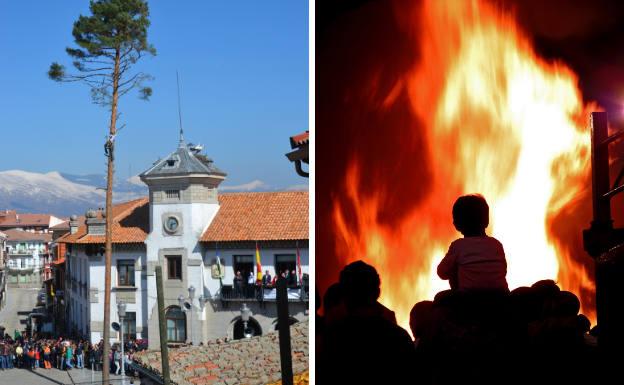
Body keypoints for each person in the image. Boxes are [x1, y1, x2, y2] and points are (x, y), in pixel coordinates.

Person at [437, 194, 509, 293]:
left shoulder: (458, 246)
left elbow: (442, 273)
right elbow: (503, 271)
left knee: (441, 297)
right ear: (487, 221)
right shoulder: (497, 245)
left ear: (457, 224)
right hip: (501, 299)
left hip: (469, 301)